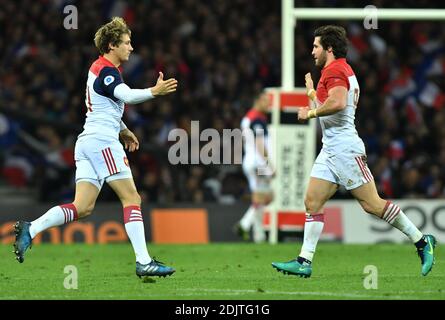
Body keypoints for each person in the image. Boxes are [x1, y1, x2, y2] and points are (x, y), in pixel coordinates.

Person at [13, 17, 178, 278]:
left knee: (83, 207)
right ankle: (144, 261)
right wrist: (153, 92)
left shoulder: (101, 70)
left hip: (89, 141)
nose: (131, 48)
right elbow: (127, 96)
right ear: (112, 45)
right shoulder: (107, 71)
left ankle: (31, 229)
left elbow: (104, 108)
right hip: (102, 142)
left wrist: (123, 129)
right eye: (126, 43)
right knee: (132, 198)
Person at [272, 25, 436, 278]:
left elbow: (336, 104)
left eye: (316, 46)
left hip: (345, 148)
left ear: (329, 48)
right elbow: (329, 104)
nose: (312, 51)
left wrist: (311, 111)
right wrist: (311, 91)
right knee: (312, 201)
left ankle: (422, 241)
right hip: (331, 148)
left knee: (372, 204)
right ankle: (305, 260)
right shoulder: (336, 70)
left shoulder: (336, 69)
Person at [234, 92, 274, 243]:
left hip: (249, 160)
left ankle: (259, 236)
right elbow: (259, 142)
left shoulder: (247, 118)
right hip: (259, 163)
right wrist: (269, 164)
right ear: (257, 100)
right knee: (266, 197)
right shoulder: (257, 119)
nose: (268, 104)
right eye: (266, 101)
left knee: (260, 198)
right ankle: (244, 224)